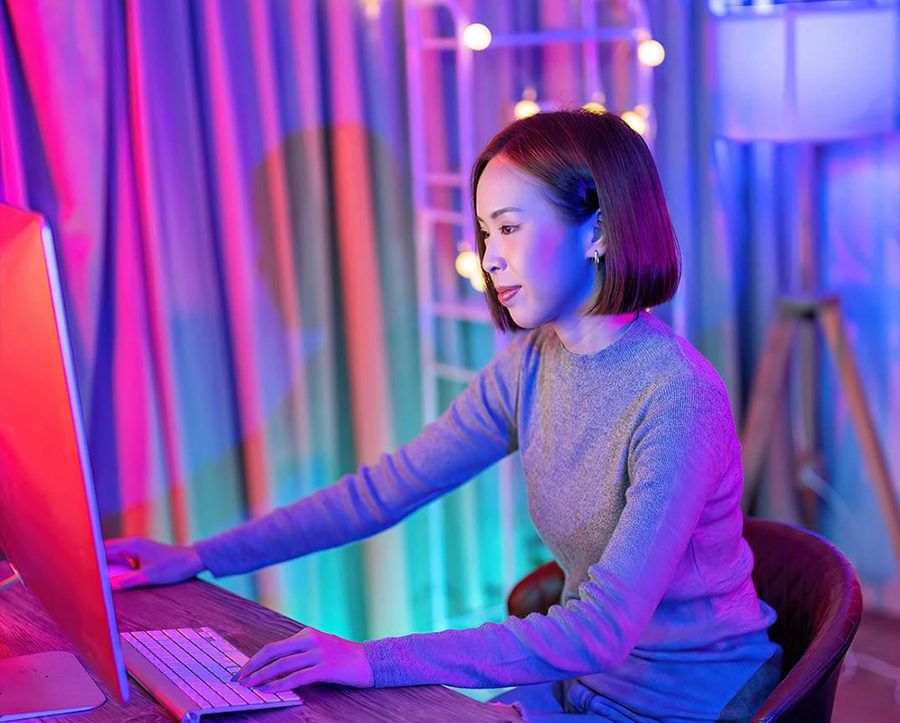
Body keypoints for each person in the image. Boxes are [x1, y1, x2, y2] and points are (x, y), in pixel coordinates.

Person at [106, 110, 782, 722]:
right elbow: (384, 489)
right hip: (585, 683)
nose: (489, 260)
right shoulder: (533, 362)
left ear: (598, 232)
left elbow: (599, 629)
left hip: (691, 702)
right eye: (486, 232)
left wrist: (370, 659)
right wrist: (199, 556)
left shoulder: (676, 396)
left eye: (510, 228)